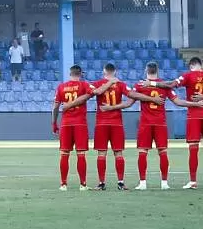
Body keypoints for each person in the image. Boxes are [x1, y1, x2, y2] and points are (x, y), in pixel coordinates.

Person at [158, 56, 203, 189]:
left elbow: (171, 85)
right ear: (201, 65)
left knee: (193, 150)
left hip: (193, 116)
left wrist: (153, 84)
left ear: (191, 66)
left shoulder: (187, 76)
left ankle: (193, 181)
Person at [127, 62, 178, 190]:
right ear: (158, 70)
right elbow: (178, 101)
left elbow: (130, 97)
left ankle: (143, 183)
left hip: (146, 123)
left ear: (146, 70)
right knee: (163, 152)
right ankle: (164, 183)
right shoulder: (164, 85)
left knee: (143, 152)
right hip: (160, 122)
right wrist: (194, 104)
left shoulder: (140, 85)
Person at [52, 65, 95, 191]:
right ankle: (83, 184)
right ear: (80, 74)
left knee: (64, 154)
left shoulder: (61, 87)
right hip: (80, 123)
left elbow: (55, 107)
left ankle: (63, 184)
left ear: (70, 74)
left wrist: (54, 123)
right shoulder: (84, 85)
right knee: (81, 154)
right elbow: (94, 92)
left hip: (66, 123)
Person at [90, 63, 131, 191]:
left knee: (102, 153)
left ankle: (101, 183)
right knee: (118, 153)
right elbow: (131, 100)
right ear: (115, 71)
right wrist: (112, 81)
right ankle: (121, 182)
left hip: (101, 123)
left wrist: (111, 107)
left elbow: (96, 92)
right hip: (116, 123)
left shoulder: (97, 83)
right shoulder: (120, 84)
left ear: (104, 71)